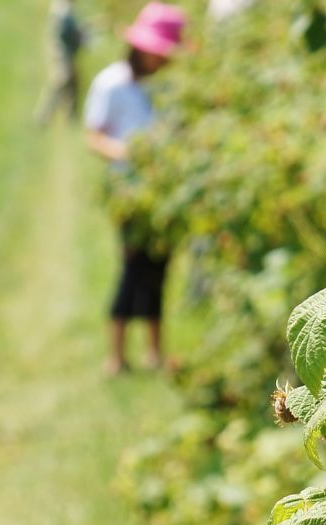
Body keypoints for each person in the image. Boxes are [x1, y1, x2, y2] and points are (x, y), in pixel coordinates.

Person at [84, 2, 187, 374]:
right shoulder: (112, 84)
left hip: (165, 190)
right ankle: (116, 355)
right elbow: (94, 136)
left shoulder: (172, 86)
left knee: (159, 268)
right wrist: (127, 153)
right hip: (129, 190)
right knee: (132, 267)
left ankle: (155, 352)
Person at [36, 0, 85, 125]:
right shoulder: (62, 9)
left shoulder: (65, 8)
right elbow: (66, 33)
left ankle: (71, 118)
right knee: (61, 82)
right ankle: (43, 117)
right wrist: (79, 37)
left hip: (67, 53)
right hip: (62, 54)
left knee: (73, 85)